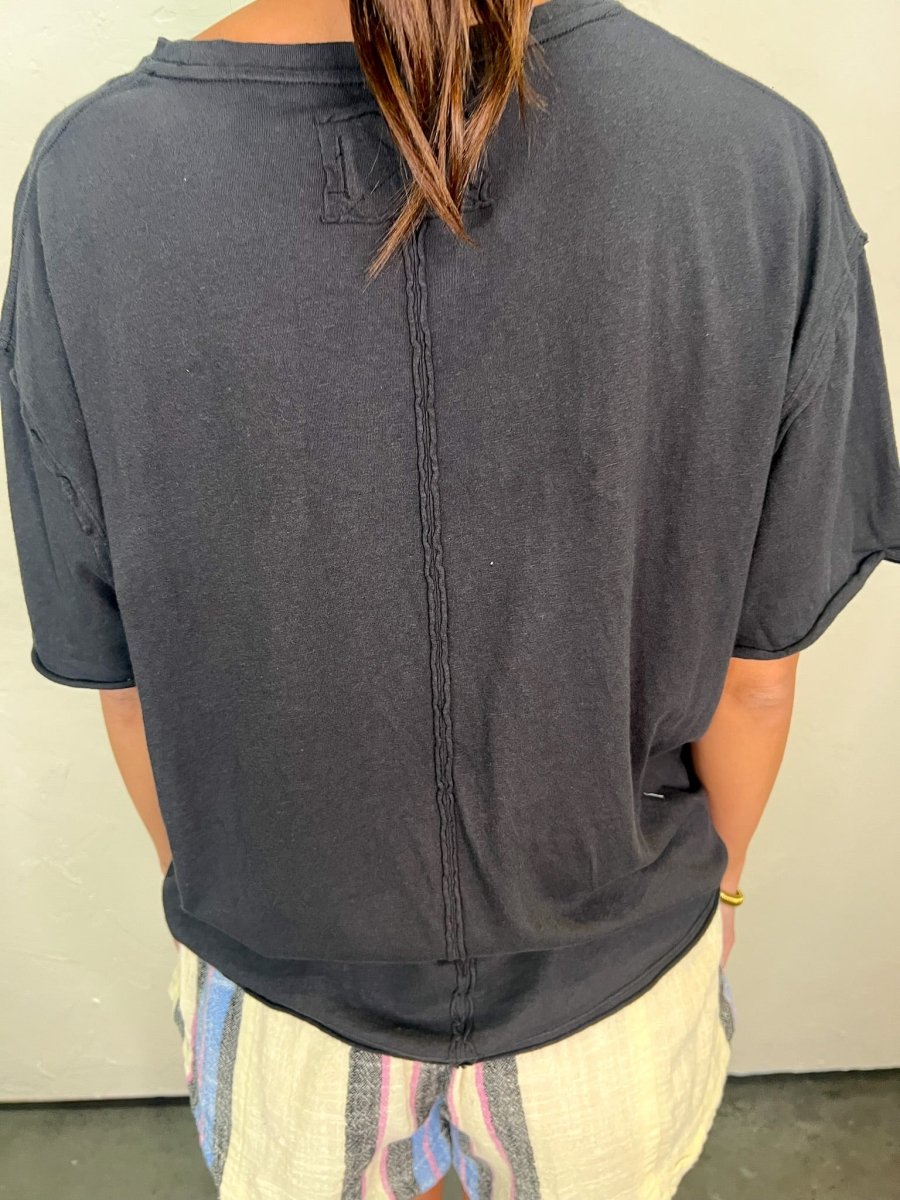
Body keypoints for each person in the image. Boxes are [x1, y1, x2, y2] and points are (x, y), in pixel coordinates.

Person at [2, 0, 898, 1196]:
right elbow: (758, 681)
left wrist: (237, 913)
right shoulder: (754, 156)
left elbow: (125, 682)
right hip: (617, 980)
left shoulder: (88, 181)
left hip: (284, 1001)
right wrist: (721, 888)